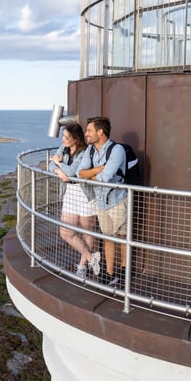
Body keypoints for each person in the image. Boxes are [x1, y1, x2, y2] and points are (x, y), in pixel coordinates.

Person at [77, 116, 128, 287]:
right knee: (108, 238)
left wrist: (90, 174)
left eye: (89, 130)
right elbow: (79, 173)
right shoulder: (90, 150)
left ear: (100, 132)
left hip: (117, 200)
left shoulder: (117, 150)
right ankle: (109, 273)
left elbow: (105, 178)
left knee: (122, 237)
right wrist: (98, 169)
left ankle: (124, 270)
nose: (86, 134)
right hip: (101, 202)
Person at [49, 123, 100, 278]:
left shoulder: (86, 152)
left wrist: (60, 164)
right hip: (70, 193)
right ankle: (92, 258)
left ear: (76, 139)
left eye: (66, 137)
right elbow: (50, 164)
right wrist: (58, 170)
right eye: (63, 136)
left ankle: (82, 266)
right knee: (66, 232)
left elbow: (73, 172)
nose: (63, 140)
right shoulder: (63, 148)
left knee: (87, 233)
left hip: (84, 194)